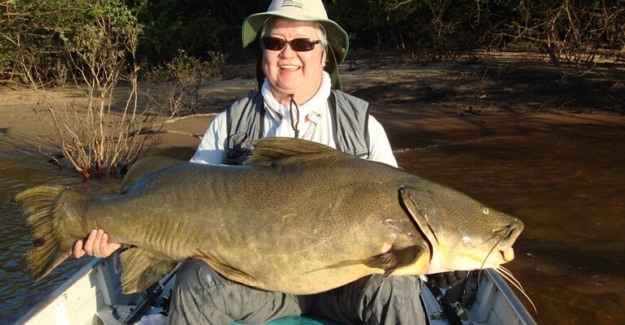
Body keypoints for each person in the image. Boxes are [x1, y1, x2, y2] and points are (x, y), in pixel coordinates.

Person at [74, 1, 464, 324]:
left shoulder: (364, 128)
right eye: (275, 42)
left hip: (346, 289)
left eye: (302, 43)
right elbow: (180, 201)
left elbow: (400, 220)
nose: (287, 53)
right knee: (194, 279)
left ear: (324, 54)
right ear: (263, 54)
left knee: (396, 285)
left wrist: (442, 253)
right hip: (253, 285)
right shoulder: (229, 125)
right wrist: (117, 231)